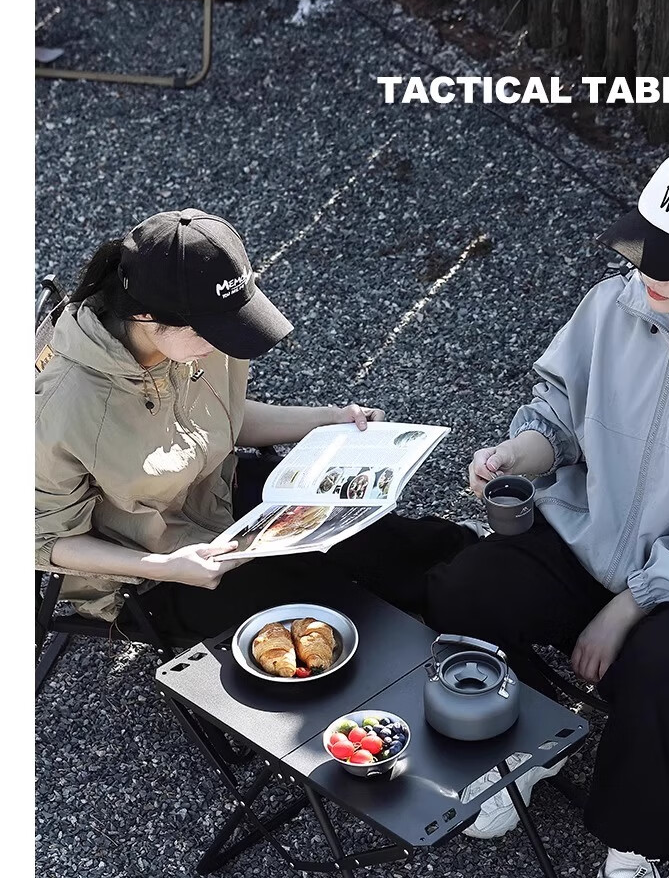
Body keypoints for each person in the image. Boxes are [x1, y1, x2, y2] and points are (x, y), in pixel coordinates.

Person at [423, 147, 669, 878]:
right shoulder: (611, 306)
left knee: (661, 674)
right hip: (589, 538)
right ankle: (534, 742)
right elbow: (559, 415)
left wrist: (632, 602)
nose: (651, 272)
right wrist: (518, 455)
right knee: (467, 587)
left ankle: (631, 860)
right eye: (648, 248)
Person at [35, 208, 471, 645]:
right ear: (146, 316)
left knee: (368, 531)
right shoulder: (63, 407)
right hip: (148, 571)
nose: (224, 343)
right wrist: (165, 567)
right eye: (213, 331)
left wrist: (328, 419)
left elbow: (224, 413)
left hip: (218, 491)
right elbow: (41, 539)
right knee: (324, 612)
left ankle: (480, 574)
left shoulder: (195, 335)